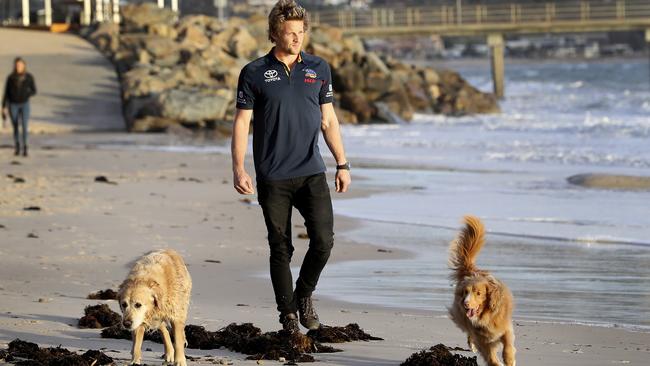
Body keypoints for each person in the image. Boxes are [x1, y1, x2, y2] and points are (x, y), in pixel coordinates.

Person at [231, 0, 351, 333]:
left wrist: (342, 163)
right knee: (280, 246)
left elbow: (329, 120)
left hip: (312, 170)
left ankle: (304, 295)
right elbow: (242, 123)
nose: (296, 39)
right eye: (289, 32)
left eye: (300, 32)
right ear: (274, 33)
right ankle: (288, 315)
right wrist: (239, 168)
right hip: (273, 176)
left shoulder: (318, 68)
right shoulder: (254, 72)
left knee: (324, 241)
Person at [2, 57, 36, 157]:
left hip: (25, 104)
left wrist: (27, 94)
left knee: (25, 125)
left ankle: (25, 146)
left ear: (24, 66)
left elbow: (34, 90)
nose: (18, 67)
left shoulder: (28, 77)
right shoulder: (10, 77)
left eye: (20, 65)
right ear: (15, 66)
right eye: (17, 65)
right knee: (15, 125)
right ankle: (17, 146)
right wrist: (3, 106)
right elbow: (6, 93)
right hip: (13, 104)